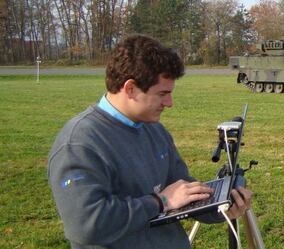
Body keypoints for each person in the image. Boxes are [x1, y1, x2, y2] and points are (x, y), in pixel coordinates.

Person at [48, 34, 252, 249]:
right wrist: (160, 202)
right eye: (162, 94)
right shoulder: (79, 144)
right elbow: (85, 225)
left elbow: (183, 196)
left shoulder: (154, 130)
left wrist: (222, 206)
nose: (169, 103)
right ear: (130, 89)